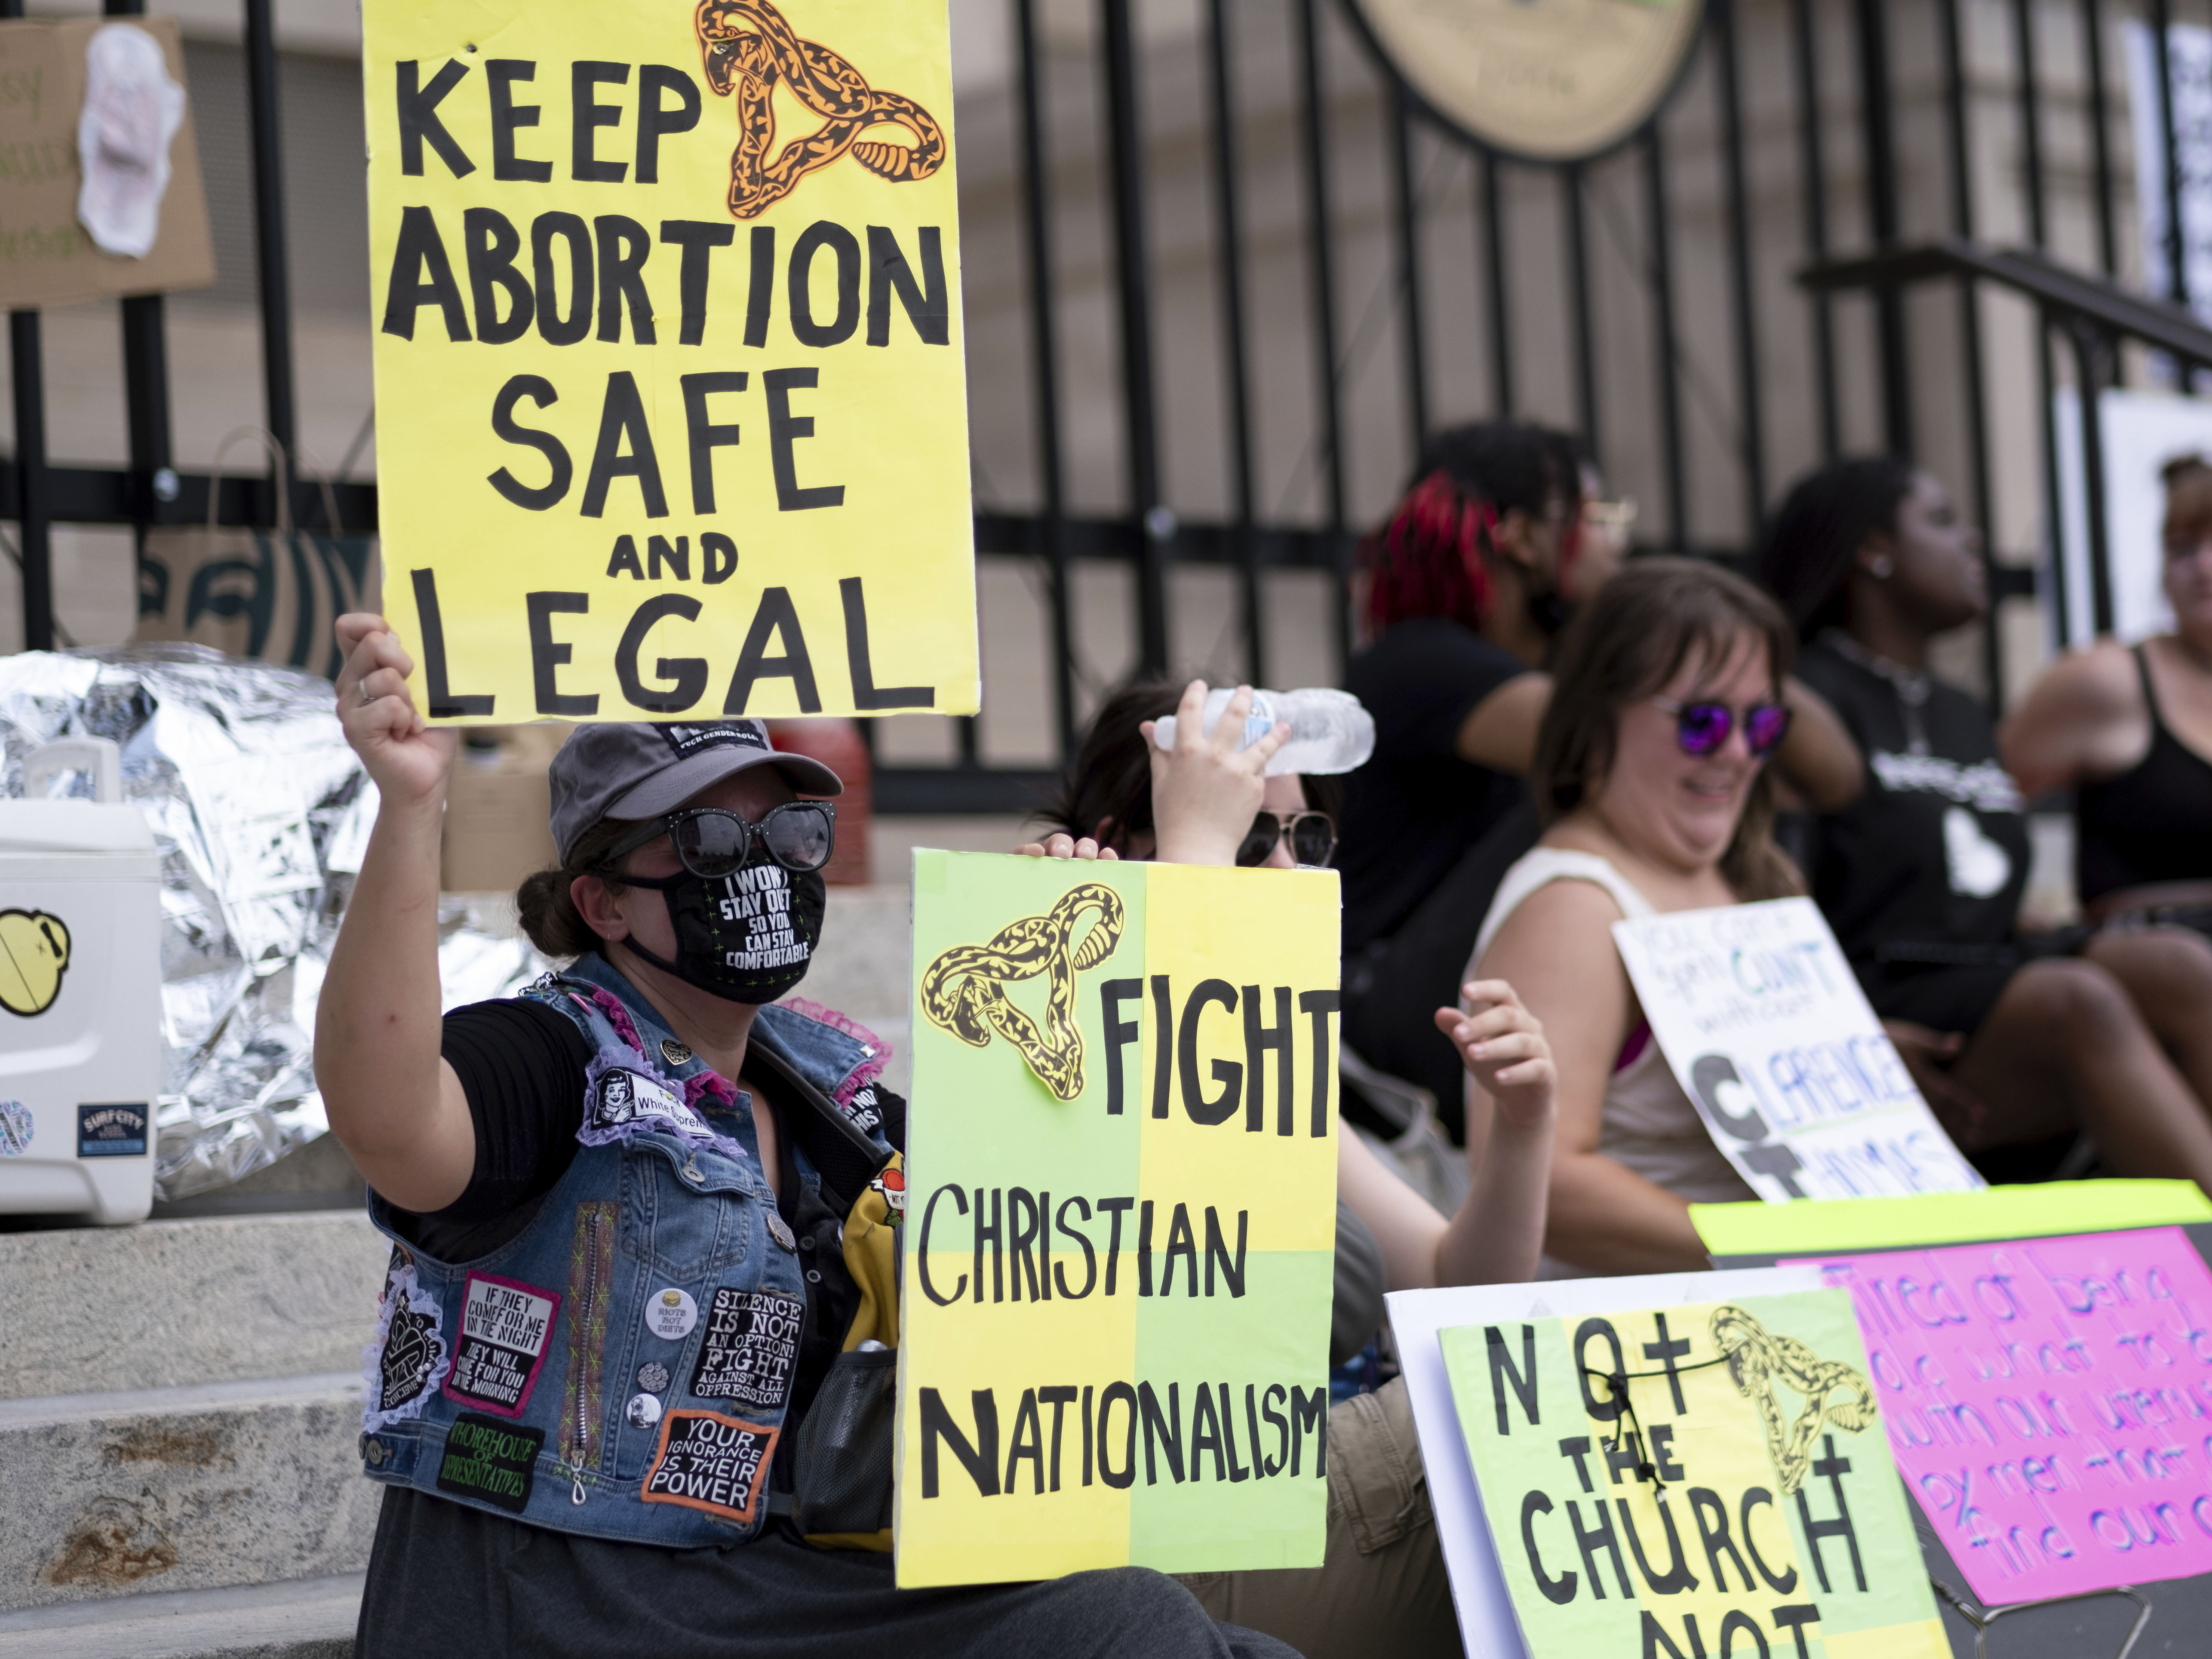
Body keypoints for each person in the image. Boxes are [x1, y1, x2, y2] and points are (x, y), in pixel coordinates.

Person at [317, 614, 1296, 1659]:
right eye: (706, 839)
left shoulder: (829, 1093)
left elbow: (1064, 1259)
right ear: (600, 902)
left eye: (789, 834)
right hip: (558, 1588)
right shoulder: (553, 1057)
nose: (763, 864)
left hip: (755, 1579)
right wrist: (412, 807)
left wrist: (1079, 968)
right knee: (1129, 1630)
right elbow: (388, 1116)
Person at [1026, 675, 1558, 1659]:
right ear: (1125, 846)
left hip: (1282, 1509)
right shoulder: (1052, 1022)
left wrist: (1523, 1126)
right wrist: (1181, 868)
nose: (1283, 868)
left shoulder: (1264, 1058)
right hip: (1158, 1544)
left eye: (1305, 839)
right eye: (1242, 834)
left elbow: (1457, 1289)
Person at [1338, 422, 1859, 1135]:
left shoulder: (1564, 673)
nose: (1616, 542)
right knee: (1631, 777)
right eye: (1597, 518)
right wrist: (1670, 622)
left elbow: (1833, 775)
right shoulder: (1417, 659)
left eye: (1757, 724)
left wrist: (1724, 651)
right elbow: (1603, 743)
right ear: (1522, 539)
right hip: (1386, 1010)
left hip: (1477, 983)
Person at [1760, 458, 2212, 1192]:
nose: (1971, 541)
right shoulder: (1804, 698)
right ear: (1873, 548)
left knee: (2177, 964)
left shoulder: (1961, 711)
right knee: (2075, 997)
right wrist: (1842, 1036)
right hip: (1882, 998)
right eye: (1940, 521)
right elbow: (1767, 894)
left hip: (1985, 976)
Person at [2003, 452, 2212, 932]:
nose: (2202, 567)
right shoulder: (2105, 679)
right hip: (2152, 968)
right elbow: (1966, 802)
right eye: (2181, 550)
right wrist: (2018, 924)